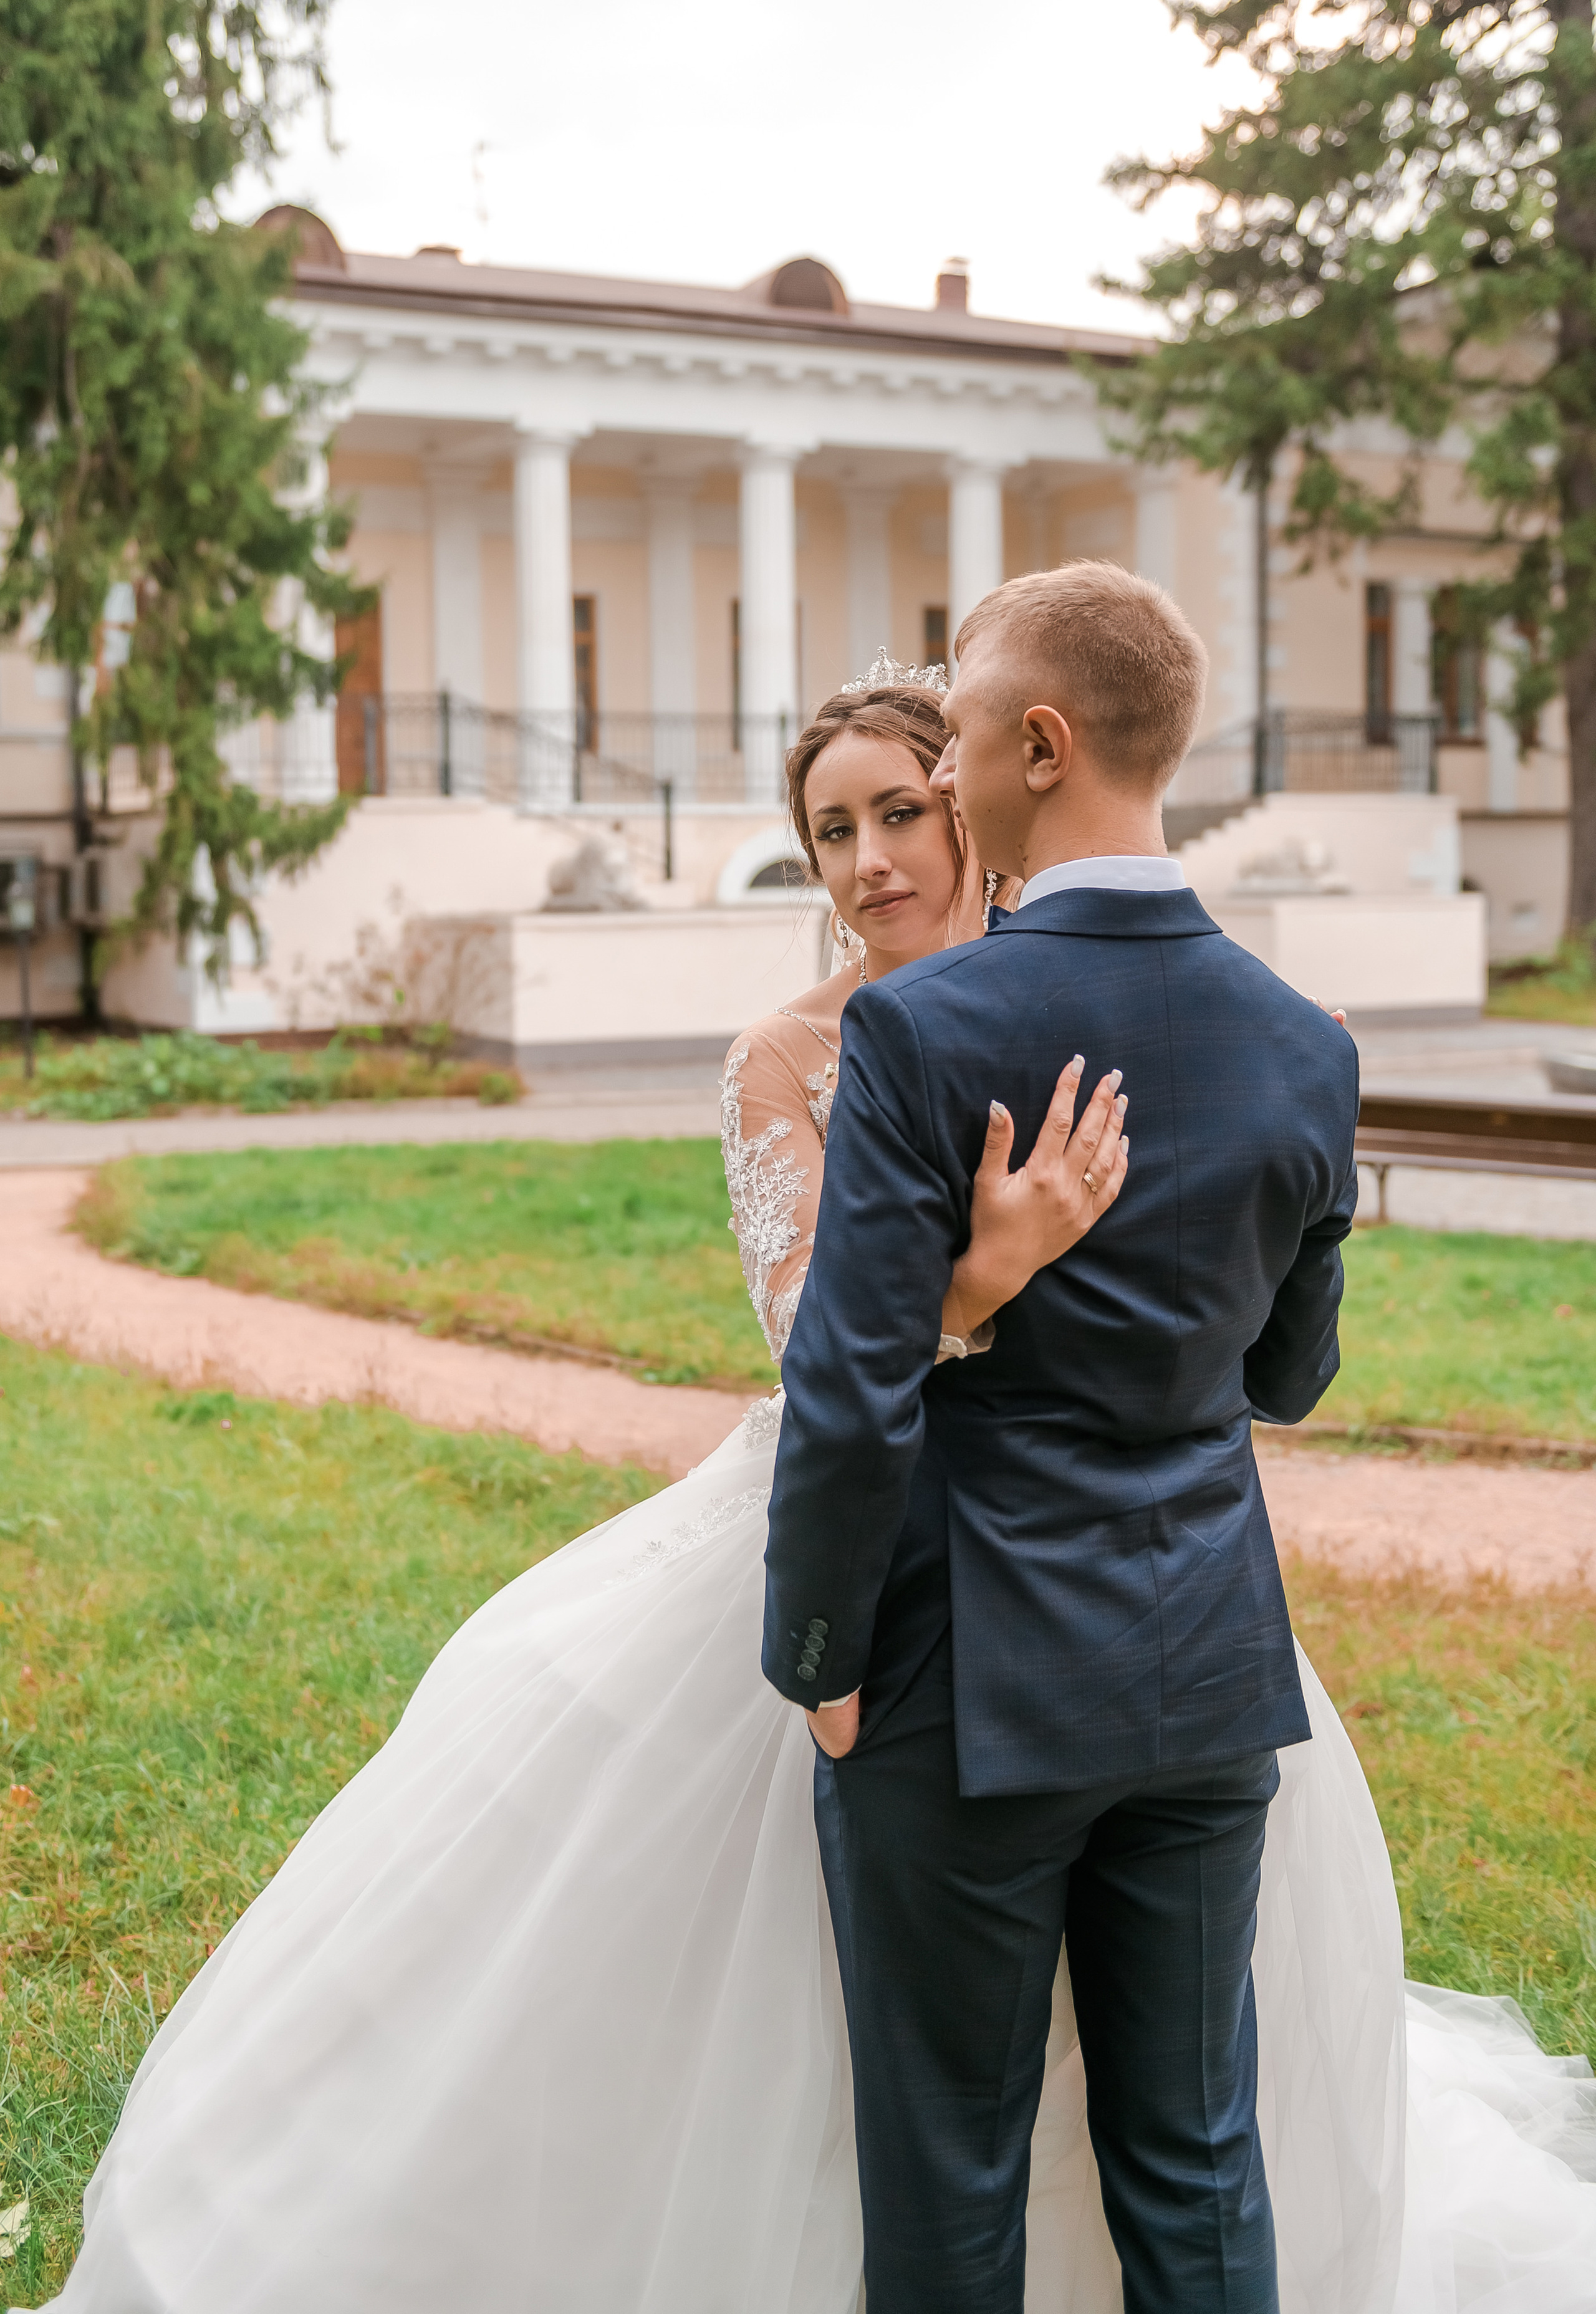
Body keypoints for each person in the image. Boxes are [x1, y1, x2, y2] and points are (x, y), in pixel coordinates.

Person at [32, 638, 1594, 2314]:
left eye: (901, 810)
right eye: (830, 833)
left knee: (1005, 2143)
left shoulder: (1031, 1017)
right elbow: (825, 1350)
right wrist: (985, 1276)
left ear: (986, 787)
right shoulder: (827, 1050)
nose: (867, 862)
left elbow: (1210, 1329)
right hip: (1064, 1608)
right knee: (1108, 2135)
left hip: (1014, 1625)